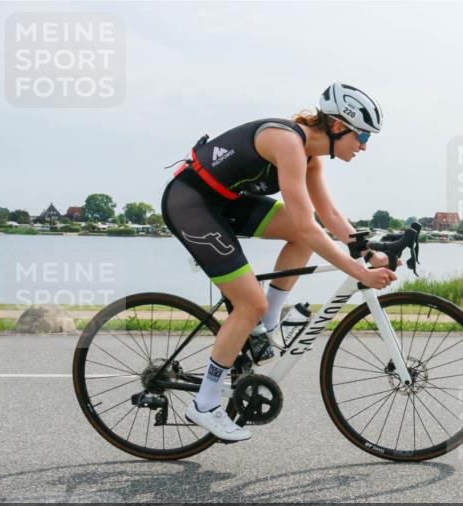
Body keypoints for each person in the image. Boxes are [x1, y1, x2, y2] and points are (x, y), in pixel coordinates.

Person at [160, 82, 397, 442]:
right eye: (362, 135)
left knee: (302, 239)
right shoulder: (287, 142)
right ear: (337, 126)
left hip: (227, 201)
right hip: (192, 204)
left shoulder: (311, 156)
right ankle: (205, 403)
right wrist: (360, 272)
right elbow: (307, 224)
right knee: (248, 302)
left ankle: (267, 322)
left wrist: (366, 251)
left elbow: (327, 214)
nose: (364, 145)